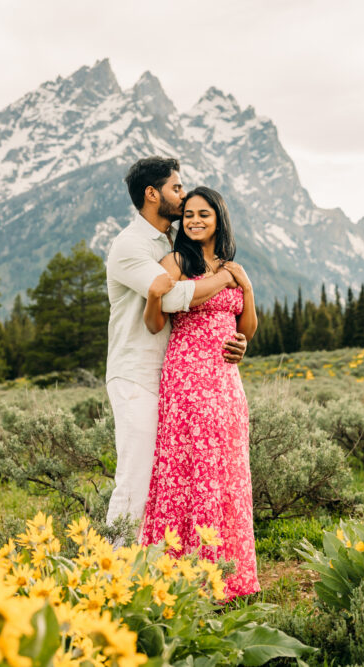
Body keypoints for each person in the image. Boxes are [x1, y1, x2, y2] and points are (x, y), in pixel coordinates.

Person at [104, 157, 246, 541]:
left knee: (162, 478)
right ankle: (110, 573)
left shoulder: (165, 241)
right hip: (136, 374)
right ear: (152, 194)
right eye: (176, 188)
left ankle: (153, 570)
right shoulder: (131, 244)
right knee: (135, 478)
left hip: (167, 377)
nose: (183, 197)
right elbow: (170, 299)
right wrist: (227, 279)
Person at [140, 186, 260, 599]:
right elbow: (156, 317)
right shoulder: (177, 260)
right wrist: (158, 295)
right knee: (189, 475)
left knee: (226, 474)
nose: (193, 221)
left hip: (226, 384)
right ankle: (183, 577)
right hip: (188, 381)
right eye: (188, 214)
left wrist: (244, 290)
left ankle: (230, 579)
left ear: (218, 218)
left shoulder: (233, 266)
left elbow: (245, 327)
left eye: (203, 214)